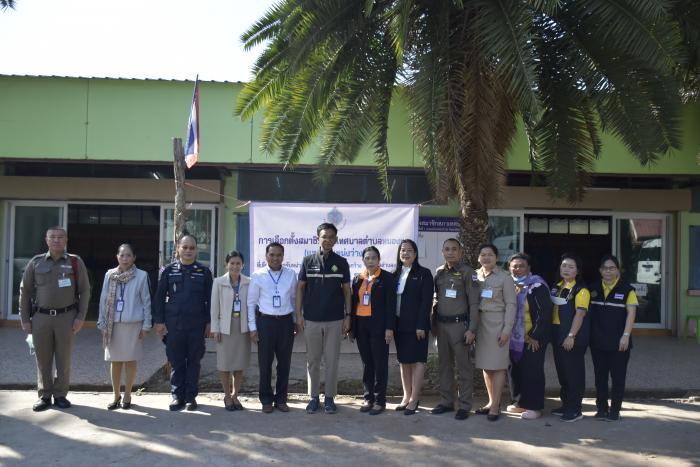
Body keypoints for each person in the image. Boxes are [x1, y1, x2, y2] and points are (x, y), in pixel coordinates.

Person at [19, 226, 91, 412]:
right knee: (43, 359)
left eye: (60, 237)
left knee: (63, 359)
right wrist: (25, 318)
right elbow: (25, 291)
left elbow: (85, 290)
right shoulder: (36, 262)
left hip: (66, 318)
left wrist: (81, 317)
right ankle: (44, 395)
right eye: (53, 237)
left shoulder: (75, 262)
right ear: (46, 240)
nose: (56, 240)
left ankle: (60, 395)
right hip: (41, 318)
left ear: (66, 240)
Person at [153, 235, 213, 411]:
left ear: (196, 250)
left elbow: (210, 300)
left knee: (194, 361)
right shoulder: (169, 271)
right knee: (176, 361)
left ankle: (190, 397)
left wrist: (210, 322)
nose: (188, 251)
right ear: (178, 248)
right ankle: (177, 396)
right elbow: (158, 298)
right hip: (174, 324)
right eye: (185, 247)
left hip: (196, 325)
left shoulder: (204, 272)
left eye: (192, 248)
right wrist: (159, 321)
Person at [296, 223, 352, 415]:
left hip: (335, 320)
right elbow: (300, 288)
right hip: (311, 319)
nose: (327, 240)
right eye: (324, 236)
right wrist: (299, 315)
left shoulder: (342, 262)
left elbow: (346, 291)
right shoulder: (307, 261)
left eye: (331, 237)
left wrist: (348, 316)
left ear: (336, 240)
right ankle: (313, 398)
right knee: (312, 360)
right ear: (317, 238)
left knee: (331, 360)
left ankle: (329, 398)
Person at [97, 244, 152, 410]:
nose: (125, 259)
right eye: (122, 255)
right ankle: (115, 395)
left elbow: (146, 302)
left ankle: (127, 394)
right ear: (117, 257)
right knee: (115, 361)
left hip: (133, 325)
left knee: (129, 361)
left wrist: (147, 325)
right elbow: (103, 299)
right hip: (113, 325)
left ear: (134, 257)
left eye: (128, 255)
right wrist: (102, 322)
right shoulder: (110, 275)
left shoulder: (142, 276)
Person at [430, 238, 480, 421]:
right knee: (444, 366)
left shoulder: (468, 273)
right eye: (447, 249)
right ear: (442, 252)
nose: (450, 252)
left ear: (460, 252)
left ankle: (465, 405)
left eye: (454, 249)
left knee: (464, 367)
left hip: (460, 327)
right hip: (442, 326)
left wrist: (472, 329)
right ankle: (446, 402)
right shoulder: (439, 273)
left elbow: (474, 304)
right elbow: (436, 300)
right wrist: (433, 324)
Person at [247, 242, 298, 413]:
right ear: (266, 256)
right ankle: (266, 399)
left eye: (278, 255)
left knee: (284, 363)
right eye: (272, 255)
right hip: (265, 323)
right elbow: (251, 304)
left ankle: (281, 399)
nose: (275, 258)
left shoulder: (291, 274)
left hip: (285, 322)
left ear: (283, 257)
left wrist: (296, 321)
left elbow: (293, 300)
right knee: (265, 363)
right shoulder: (258, 275)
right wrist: (253, 328)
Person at [589, 254, 638, 421]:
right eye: (604, 268)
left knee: (617, 378)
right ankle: (601, 409)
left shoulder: (627, 290)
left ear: (618, 270)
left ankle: (615, 411)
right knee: (600, 377)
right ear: (600, 270)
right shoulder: (592, 289)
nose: (608, 271)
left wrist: (626, 335)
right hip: (598, 342)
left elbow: (631, 314)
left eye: (611, 268)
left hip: (619, 343)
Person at [473, 244, 517, 422]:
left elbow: (511, 305)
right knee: (486, 365)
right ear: (478, 258)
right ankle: (491, 402)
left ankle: (496, 406)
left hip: (497, 324)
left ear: (496, 257)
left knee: (498, 365)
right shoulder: (475, 275)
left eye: (490, 255)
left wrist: (507, 329)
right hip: (480, 324)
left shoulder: (505, 277)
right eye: (482, 255)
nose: (486, 258)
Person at [505, 253, 551, 420]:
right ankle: (519, 402)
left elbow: (544, 313)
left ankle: (535, 406)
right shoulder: (508, 284)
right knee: (515, 371)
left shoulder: (537, 285)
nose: (517, 269)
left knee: (532, 372)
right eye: (514, 266)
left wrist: (534, 335)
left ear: (529, 268)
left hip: (533, 338)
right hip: (513, 338)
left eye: (521, 266)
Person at [351, 246, 396, 415]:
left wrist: (389, 328)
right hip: (361, 325)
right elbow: (353, 303)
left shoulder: (387, 278)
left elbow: (391, 306)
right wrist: (351, 327)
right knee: (367, 363)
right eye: (367, 258)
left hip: (379, 326)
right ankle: (368, 397)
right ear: (363, 260)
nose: (370, 261)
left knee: (379, 364)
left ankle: (379, 400)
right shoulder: (358, 279)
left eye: (374, 258)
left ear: (379, 260)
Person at [393, 239, 433, 416]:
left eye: (409, 250)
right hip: (399, 326)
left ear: (415, 254)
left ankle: (415, 398)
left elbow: (426, 302)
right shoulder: (394, 274)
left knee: (418, 361)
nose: (405, 253)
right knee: (404, 361)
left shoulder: (424, 274)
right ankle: (406, 396)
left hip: (417, 326)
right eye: (402, 250)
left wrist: (421, 325)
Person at [550, 252, 591, 422]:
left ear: (577, 271)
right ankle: (566, 404)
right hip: (557, 335)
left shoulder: (581, 291)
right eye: (564, 265)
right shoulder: (557, 286)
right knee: (563, 372)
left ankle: (575, 409)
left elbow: (580, 315)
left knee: (574, 373)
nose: (566, 269)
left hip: (572, 337)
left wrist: (571, 336)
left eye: (571, 267)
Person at [210, 250, 251, 411]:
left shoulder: (249, 282)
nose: (235, 266)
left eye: (238, 263)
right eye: (232, 263)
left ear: (243, 265)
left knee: (239, 363)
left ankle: (235, 396)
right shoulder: (218, 282)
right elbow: (214, 308)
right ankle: (227, 396)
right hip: (225, 328)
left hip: (242, 327)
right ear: (226, 264)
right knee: (225, 364)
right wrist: (215, 329)